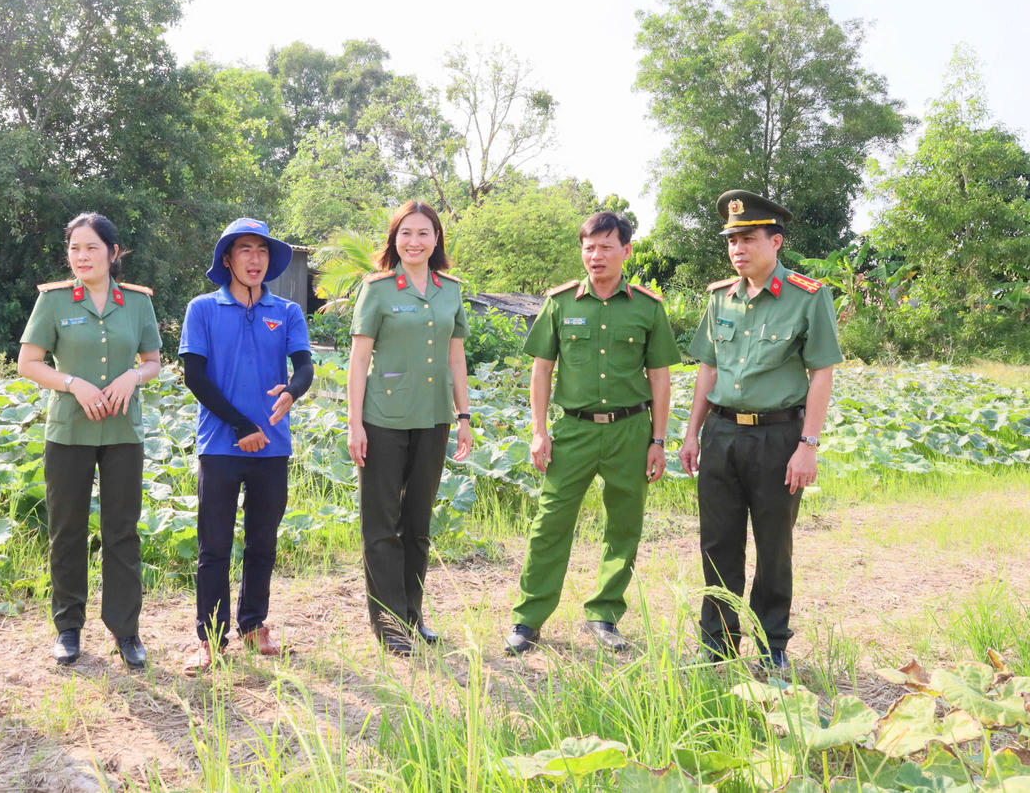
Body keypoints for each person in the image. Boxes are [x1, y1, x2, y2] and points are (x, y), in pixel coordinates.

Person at [678, 190, 842, 674]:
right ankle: (717, 645)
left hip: (778, 438)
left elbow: (822, 373)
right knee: (717, 545)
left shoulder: (807, 297)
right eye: (732, 240)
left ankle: (773, 644)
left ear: (776, 241)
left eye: (748, 239)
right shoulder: (720, 298)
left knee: (774, 547)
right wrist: (691, 434)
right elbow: (708, 370)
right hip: (722, 435)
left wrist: (808, 445)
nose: (738, 249)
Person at [505, 212, 681, 655]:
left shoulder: (647, 307)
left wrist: (658, 441)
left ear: (626, 250)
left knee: (624, 525)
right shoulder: (561, 303)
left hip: (631, 431)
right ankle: (528, 619)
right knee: (549, 523)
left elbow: (660, 377)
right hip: (574, 430)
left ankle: (604, 614)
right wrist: (539, 431)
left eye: (605, 246)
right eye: (589, 247)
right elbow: (541, 370)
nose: (596, 256)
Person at [17, 213, 161, 670]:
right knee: (67, 530)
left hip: (122, 432)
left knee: (122, 532)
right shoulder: (53, 300)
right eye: (74, 248)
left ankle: (126, 630)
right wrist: (73, 383)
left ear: (112, 253)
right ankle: (68, 627)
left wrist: (132, 377)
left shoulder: (136, 302)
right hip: (68, 432)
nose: (81, 256)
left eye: (91, 247)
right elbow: (28, 362)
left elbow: (153, 360)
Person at [178, 218, 312, 673]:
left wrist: (292, 391)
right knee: (214, 546)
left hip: (272, 447)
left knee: (262, 543)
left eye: (262, 250)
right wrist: (240, 426)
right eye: (245, 250)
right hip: (219, 445)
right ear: (227, 259)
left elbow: (304, 367)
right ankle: (210, 639)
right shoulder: (202, 309)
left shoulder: (287, 312)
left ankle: (253, 625)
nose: (255, 259)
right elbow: (195, 377)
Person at [346, 200, 472, 656]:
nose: (414, 242)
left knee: (418, 524)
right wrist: (354, 424)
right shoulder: (377, 289)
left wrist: (464, 416)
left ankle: (412, 616)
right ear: (394, 239)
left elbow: (456, 357)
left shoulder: (450, 291)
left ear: (436, 239)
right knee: (381, 524)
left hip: (433, 418)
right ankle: (388, 623)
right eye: (406, 233)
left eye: (423, 233)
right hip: (383, 419)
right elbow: (359, 359)